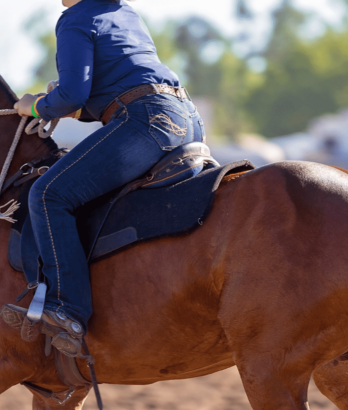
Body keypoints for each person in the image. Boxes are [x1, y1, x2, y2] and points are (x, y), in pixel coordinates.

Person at [11, 0, 206, 358]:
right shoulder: (124, 13)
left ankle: (68, 310)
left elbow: (73, 93)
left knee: (47, 195)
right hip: (187, 119)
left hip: (145, 120)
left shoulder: (75, 19)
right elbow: (104, 88)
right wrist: (65, 103)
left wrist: (37, 105)